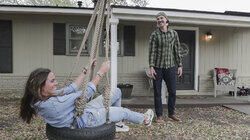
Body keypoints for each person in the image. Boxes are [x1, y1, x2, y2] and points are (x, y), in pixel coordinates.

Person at [19, 60, 154, 132]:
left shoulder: (43, 96)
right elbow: (86, 93)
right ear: (39, 86)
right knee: (123, 112)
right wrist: (101, 72)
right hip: (86, 119)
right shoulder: (53, 104)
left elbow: (72, 88)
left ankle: (117, 123)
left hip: (84, 110)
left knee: (117, 91)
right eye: (52, 81)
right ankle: (145, 119)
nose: (57, 83)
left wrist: (86, 70)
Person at [149, 12, 183, 123]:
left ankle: (171, 113)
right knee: (157, 92)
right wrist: (151, 66)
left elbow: (177, 50)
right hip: (158, 67)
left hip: (171, 67)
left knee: (172, 91)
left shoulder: (174, 33)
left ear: (166, 20)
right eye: (157, 19)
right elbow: (152, 52)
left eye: (161, 18)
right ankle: (159, 116)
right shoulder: (154, 35)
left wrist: (180, 65)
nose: (159, 20)